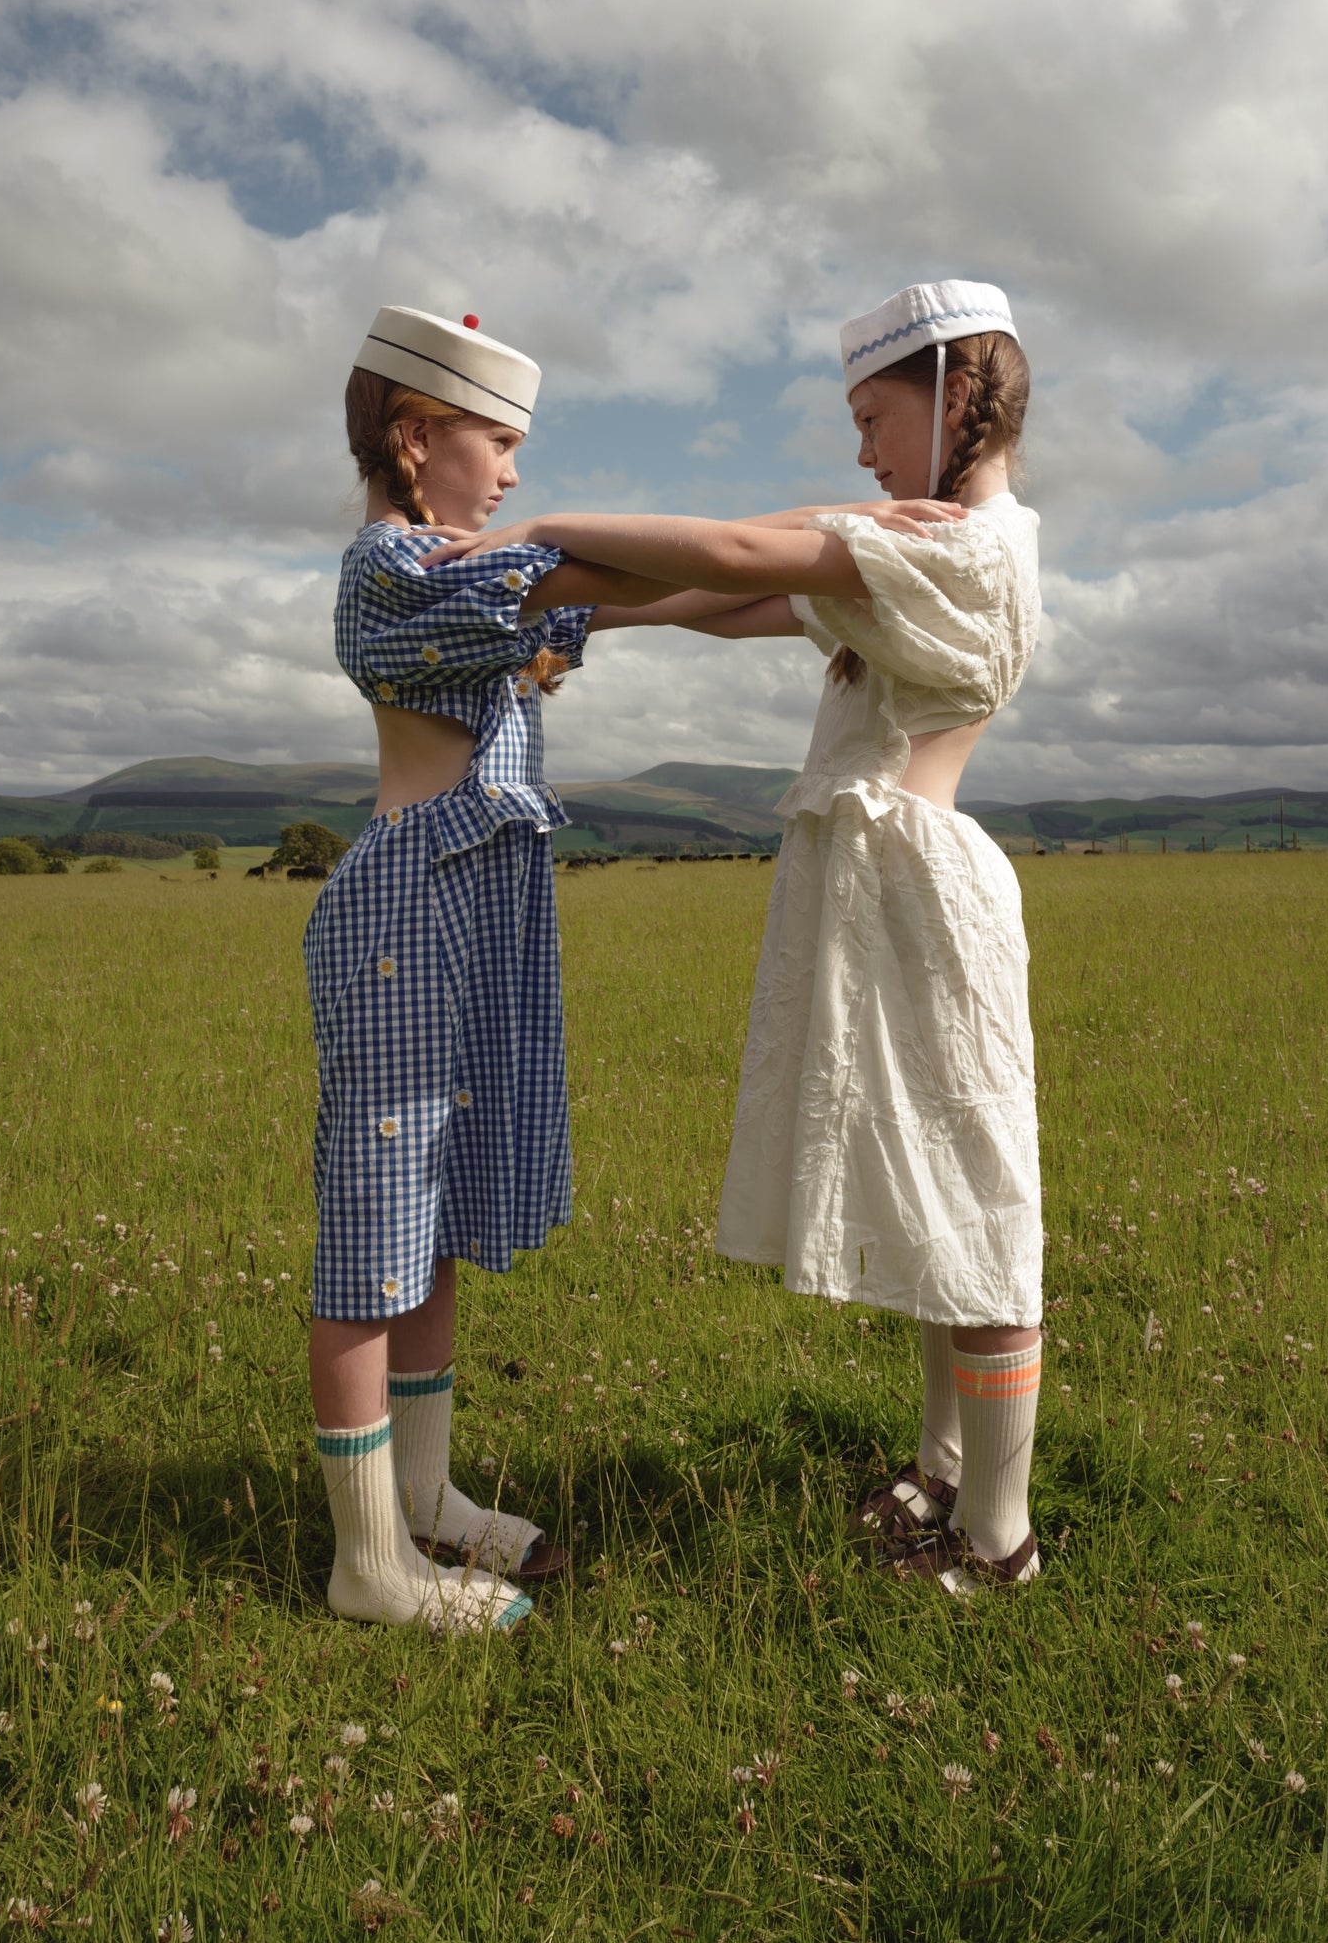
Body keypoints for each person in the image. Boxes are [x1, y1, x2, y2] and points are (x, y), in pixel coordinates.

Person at [424, 278, 1044, 1592]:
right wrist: (566, 604)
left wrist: (538, 530)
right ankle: (943, 1470)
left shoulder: (968, 548)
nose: (863, 453)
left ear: (954, 397)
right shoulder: (911, 551)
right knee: (929, 1194)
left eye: (873, 419)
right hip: (886, 894)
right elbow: (717, 595)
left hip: (923, 899)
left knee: (973, 1205)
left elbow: (739, 554)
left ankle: (1001, 1539)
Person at [307, 304, 682, 1631]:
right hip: (409, 910)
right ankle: (367, 1562)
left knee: (436, 1216)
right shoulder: (399, 568)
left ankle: (422, 1495)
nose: (515, 474)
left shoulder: (470, 575)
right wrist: (824, 543)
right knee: (375, 1229)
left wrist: (826, 572)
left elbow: (658, 594)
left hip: (467, 907)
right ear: (417, 440)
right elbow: (622, 577)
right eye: (499, 443)